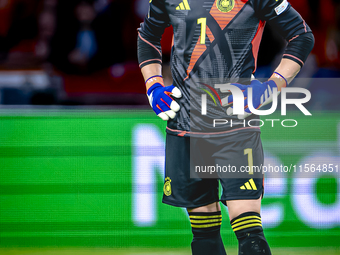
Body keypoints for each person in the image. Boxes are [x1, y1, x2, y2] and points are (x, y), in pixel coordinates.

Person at [137, 0, 314, 254]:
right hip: (186, 125)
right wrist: (153, 86)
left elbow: (302, 35)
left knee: (250, 237)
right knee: (204, 237)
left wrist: (271, 87)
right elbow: (148, 35)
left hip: (235, 125)